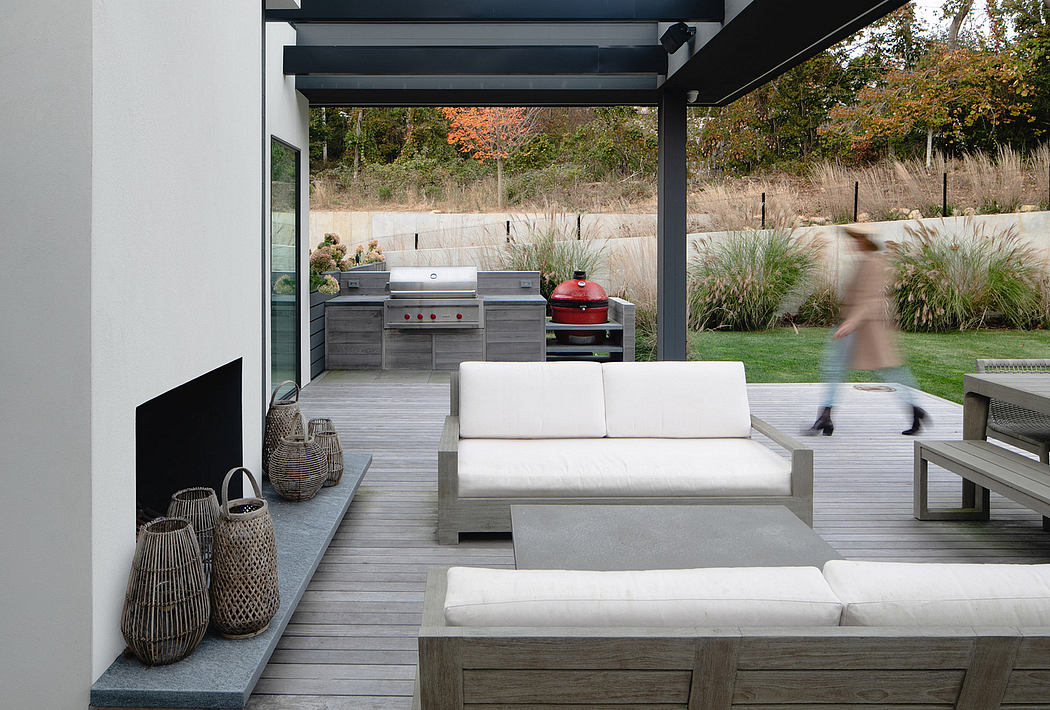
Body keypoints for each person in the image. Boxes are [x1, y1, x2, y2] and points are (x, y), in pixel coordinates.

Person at [805, 224, 927, 437]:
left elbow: (871, 300)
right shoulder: (867, 261)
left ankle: (915, 408)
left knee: (885, 370)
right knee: (838, 368)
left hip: (861, 328)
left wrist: (850, 323)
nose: (852, 241)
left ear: (865, 240)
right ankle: (826, 416)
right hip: (858, 327)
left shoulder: (874, 263)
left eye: (856, 238)